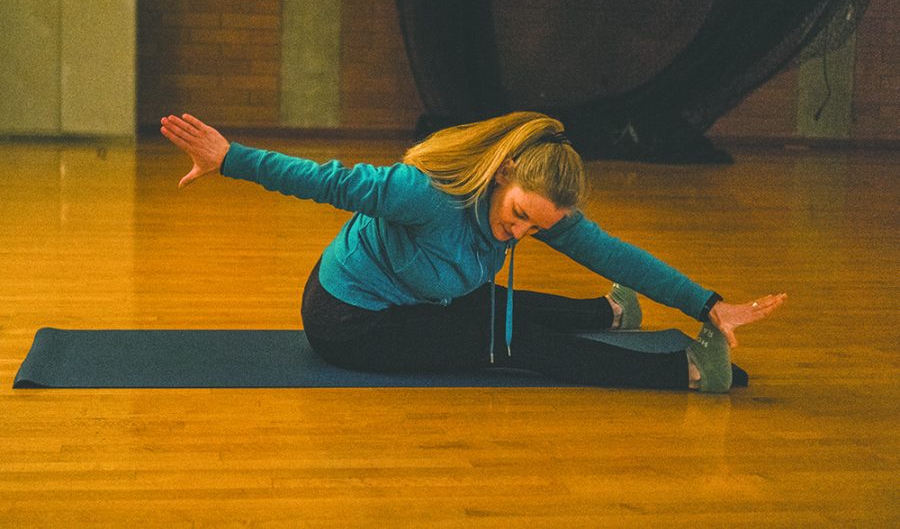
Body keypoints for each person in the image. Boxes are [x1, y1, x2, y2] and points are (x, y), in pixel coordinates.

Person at [160, 111, 785, 392]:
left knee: (491, 302)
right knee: (514, 343)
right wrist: (230, 159)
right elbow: (329, 180)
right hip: (350, 320)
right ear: (503, 172)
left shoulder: (542, 208)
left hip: (422, 293)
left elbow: (617, 253)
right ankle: (684, 373)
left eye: (536, 229)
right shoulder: (423, 194)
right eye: (517, 216)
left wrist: (708, 304)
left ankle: (608, 312)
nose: (520, 234)